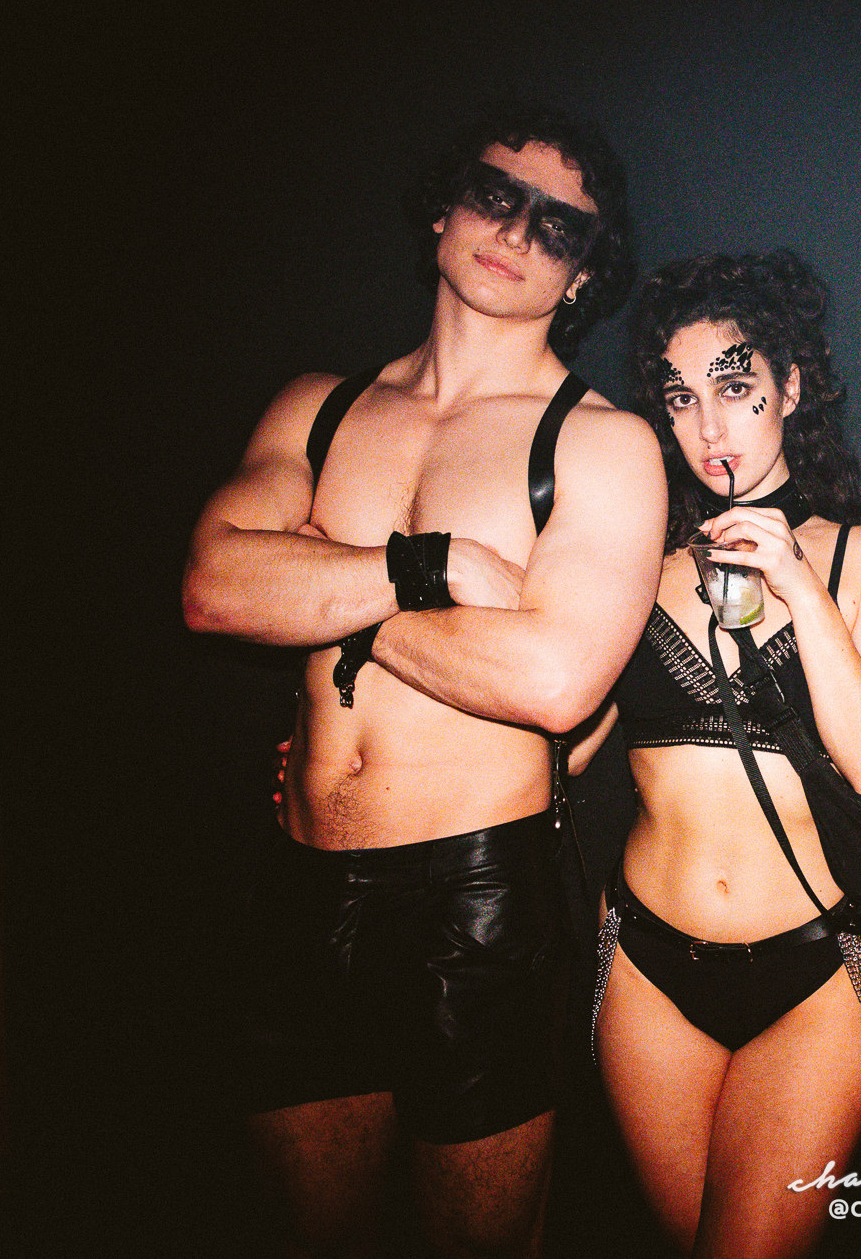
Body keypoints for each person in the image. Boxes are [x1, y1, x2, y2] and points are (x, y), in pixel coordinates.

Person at [182, 104, 665, 1259]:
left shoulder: (600, 444)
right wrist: (426, 566)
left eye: (558, 227)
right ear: (444, 208)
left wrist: (331, 592)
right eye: (497, 196)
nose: (518, 233)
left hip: (479, 900)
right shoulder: (316, 407)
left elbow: (554, 682)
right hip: (300, 884)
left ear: (582, 274)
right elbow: (212, 588)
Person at [580, 250, 861, 1259]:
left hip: (818, 967)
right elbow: (566, 734)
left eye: (734, 388)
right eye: (681, 398)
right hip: (646, 962)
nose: (708, 427)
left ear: (792, 387)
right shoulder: (637, 567)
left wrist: (800, 585)